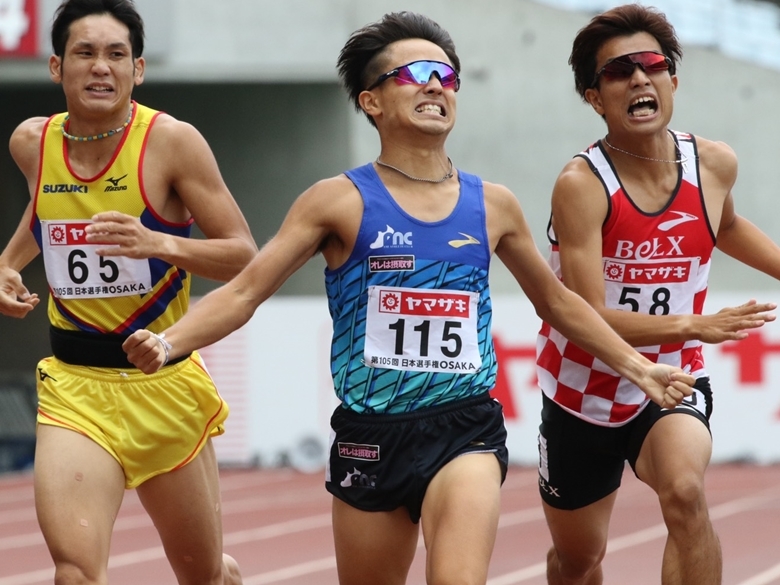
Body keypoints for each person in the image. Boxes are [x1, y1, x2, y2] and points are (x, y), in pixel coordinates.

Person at [122, 11, 695, 585]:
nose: (435, 86)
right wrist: (170, 341)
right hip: (371, 435)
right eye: (415, 73)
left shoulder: (492, 205)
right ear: (370, 102)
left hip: (464, 427)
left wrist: (637, 368)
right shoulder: (336, 202)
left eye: (447, 76)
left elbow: (561, 304)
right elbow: (246, 291)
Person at [0, 0, 257, 583]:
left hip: (161, 381)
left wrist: (158, 243)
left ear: (137, 70)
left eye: (116, 55)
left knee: (202, 575)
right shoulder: (32, 143)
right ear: (54, 66)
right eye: (85, 53)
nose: (100, 68)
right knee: (74, 571)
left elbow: (243, 253)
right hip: (74, 388)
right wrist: (8, 263)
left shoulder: (172, 143)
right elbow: (48, 217)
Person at [536, 4, 780, 585]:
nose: (640, 78)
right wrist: (693, 326)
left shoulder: (714, 163)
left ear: (673, 79)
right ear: (594, 98)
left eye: (652, 64)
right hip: (582, 392)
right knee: (578, 561)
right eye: (620, 71)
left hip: (671, 381)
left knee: (686, 493)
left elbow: (724, 226)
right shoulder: (582, 186)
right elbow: (589, 316)